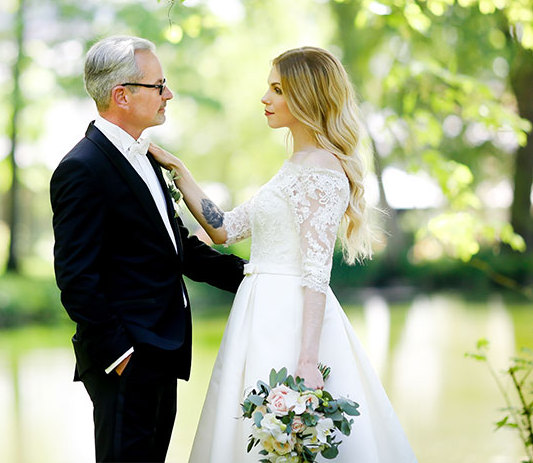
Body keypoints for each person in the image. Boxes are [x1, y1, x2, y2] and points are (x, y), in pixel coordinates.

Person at [149, 46, 418, 462]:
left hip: (291, 320)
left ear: (307, 97)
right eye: (269, 88)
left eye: (278, 89)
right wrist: (181, 173)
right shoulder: (294, 164)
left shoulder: (323, 170)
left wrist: (308, 358)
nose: (265, 98)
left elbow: (316, 271)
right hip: (255, 312)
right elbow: (225, 229)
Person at [50, 36, 246, 462]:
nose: (168, 95)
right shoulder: (82, 168)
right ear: (122, 95)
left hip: (162, 351)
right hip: (128, 358)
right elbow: (75, 277)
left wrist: (255, 278)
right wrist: (120, 355)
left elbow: (179, 249)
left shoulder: (149, 158)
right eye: (159, 86)